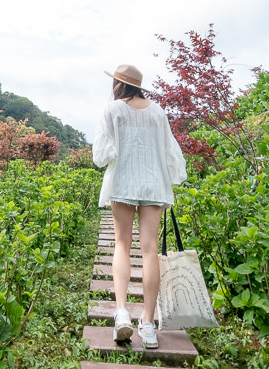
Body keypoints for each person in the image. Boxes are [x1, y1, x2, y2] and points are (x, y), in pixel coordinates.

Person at [92, 64, 187, 349]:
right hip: (154, 185)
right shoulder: (158, 112)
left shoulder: (113, 110)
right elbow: (170, 151)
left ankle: (121, 313)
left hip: (123, 182)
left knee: (122, 244)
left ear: (118, 85)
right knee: (149, 251)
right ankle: (147, 324)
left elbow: (102, 154)